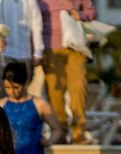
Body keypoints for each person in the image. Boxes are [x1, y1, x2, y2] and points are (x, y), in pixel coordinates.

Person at [39, 0, 96, 144]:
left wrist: (81, 14)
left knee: (78, 89)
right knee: (54, 92)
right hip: (51, 47)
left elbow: (92, 12)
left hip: (76, 46)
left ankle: (78, 131)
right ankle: (61, 131)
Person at [0, 0, 44, 83]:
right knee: (5, 86)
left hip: (24, 52)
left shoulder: (31, 1)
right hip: (4, 52)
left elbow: (36, 25)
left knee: (23, 86)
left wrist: (38, 52)